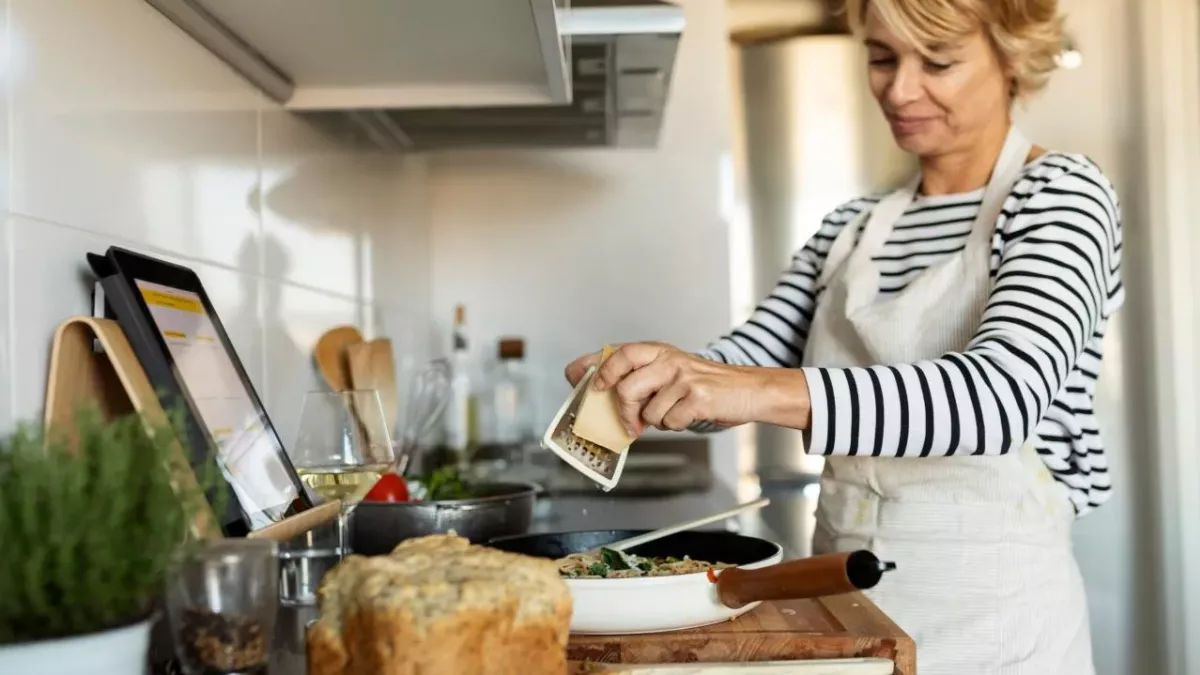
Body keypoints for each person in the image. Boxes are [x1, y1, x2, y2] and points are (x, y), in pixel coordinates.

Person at [564, 0, 1123, 673]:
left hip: (996, 629)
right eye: (882, 57)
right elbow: (744, 363)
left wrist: (745, 389)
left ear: (1011, 57)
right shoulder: (850, 227)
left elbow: (998, 399)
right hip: (841, 610)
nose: (899, 88)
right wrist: (663, 376)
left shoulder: (1060, 195)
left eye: (937, 61)